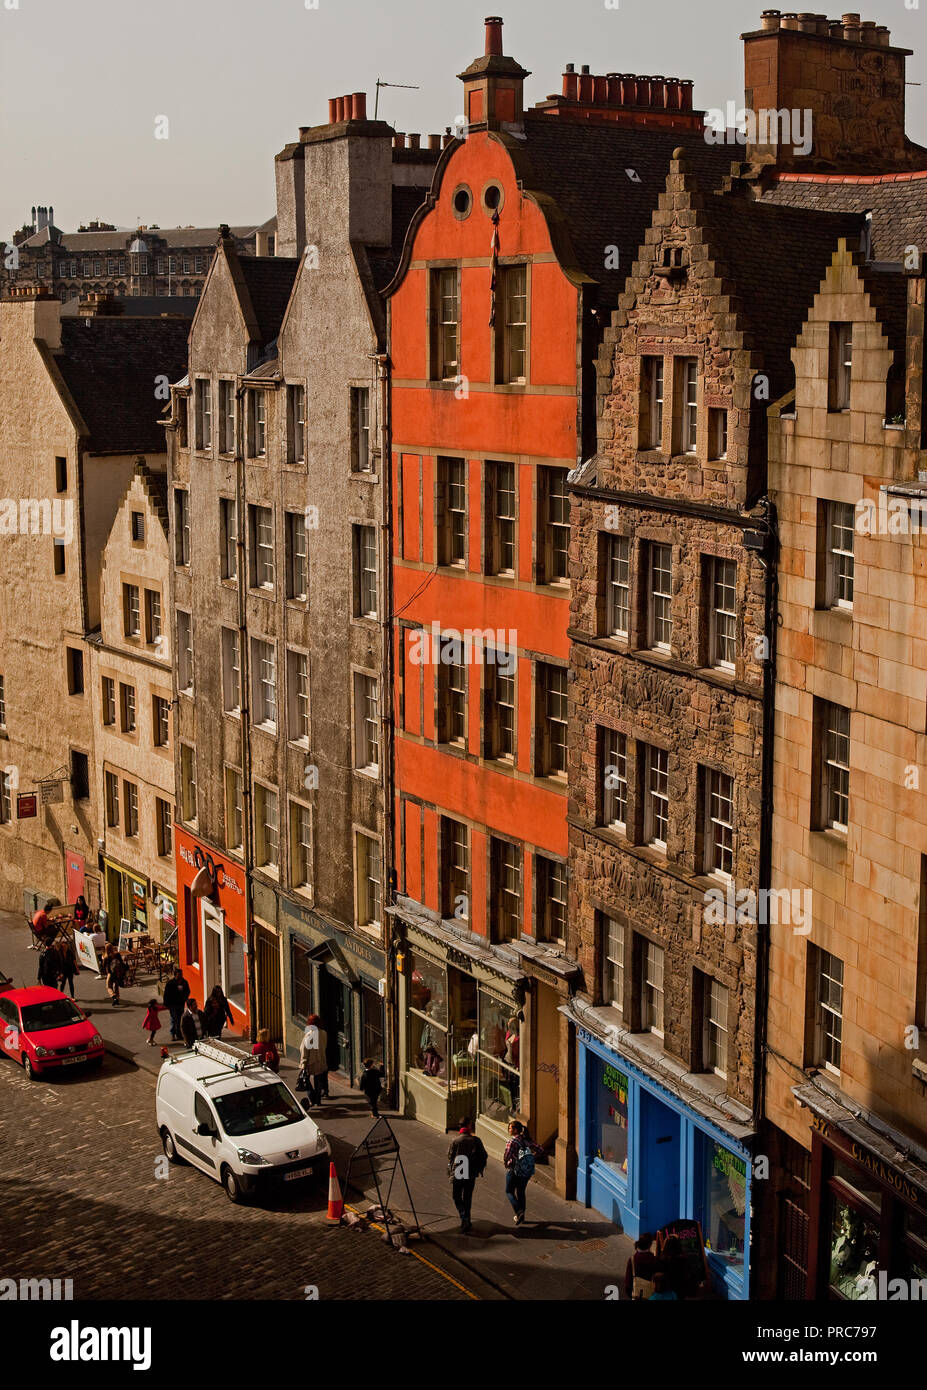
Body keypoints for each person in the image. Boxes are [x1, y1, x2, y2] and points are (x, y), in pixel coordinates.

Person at [447, 1117, 488, 1233]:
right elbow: (484, 1155)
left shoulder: (455, 1141)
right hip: (471, 1172)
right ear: (469, 1126)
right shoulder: (476, 1140)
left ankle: (464, 1218)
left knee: (456, 1196)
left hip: (460, 1170)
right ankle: (467, 1220)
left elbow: (450, 1156)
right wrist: (479, 1168)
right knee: (467, 1197)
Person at [503, 1119, 542, 1227]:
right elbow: (540, 1149)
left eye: (510, 1128)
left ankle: (519, 1211)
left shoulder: (512, 1142)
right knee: (521, 1191)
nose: (509, 1130)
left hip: (515, 1170)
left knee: (509, 1191)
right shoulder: (527, 1140)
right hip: (526, 1171)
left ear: (515, 1130)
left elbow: (507, 1156)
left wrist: (507, 1163)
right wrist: (533, 1157)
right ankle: (522, 1216)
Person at [299, 1015, 328, 1107]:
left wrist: (303, 1063)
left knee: (306, 1081)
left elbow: (304, 1050)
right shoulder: (323, 1033)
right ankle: (318, 1100)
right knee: (318, 1082)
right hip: (321, 1060)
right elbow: (324, 1046)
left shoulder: (310, 1035)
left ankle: (312, 1098)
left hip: (311, 1062)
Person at [624, 1233, 660, 1301]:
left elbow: (628, 1283)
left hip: (636, 1295)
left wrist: (632, 1294)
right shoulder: (653, 1260)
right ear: (649, 1245)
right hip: (650, 1295)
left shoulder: (632, 1259)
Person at [163, 966, 190, 1041]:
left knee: (180, 1019)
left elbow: (188, 991)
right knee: (174, 1019)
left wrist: (184, 998)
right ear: (175, 975)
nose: (181, 976)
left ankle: (179, 1034)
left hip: (180, 1004)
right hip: (172, 1004)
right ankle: (173, 1034)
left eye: (181, 974)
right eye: (179, 975)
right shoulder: (170, 983)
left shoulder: (184, 982)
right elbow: (166, 994)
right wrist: (166, 1004)